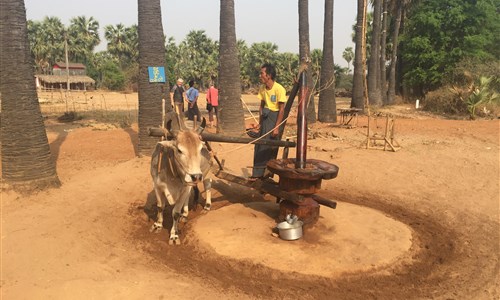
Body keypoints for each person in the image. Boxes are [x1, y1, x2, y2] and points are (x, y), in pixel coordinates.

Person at [251, 63, 287, 179]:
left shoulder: (279, 89)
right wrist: (259, 123)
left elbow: (281, 110)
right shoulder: (262, 88)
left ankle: (266, 175)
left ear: (269, 75)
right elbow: (261, 106)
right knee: (259, 145)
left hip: (274, 119)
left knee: (268, 147)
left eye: (262, 73)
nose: (260, 75)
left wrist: (276, 127)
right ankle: (257, 175)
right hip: (265, 118)